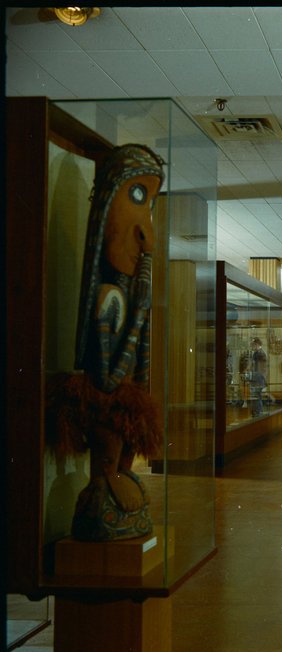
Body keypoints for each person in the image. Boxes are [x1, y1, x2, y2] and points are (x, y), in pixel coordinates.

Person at [45, 144, 165, 541]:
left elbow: (136, 372)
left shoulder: (121, 296)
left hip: (121, 410)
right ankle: (106, 480)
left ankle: (116, 477)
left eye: (150, 203)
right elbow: (109, 380)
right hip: (106, 411)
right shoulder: (109, 298)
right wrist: (141, 309)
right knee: (110, 453)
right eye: (137, 195)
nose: (147, 233)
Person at [250, 338, 267, 417]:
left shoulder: (260, 353)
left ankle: (258, 412)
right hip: (257, 377)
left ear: (257, 344)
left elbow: (262, 367)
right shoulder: (257, 353)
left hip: (258, 377)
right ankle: (257, 412)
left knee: (257, 395)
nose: (252, 346)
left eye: (253, 344)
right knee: (256, 395)